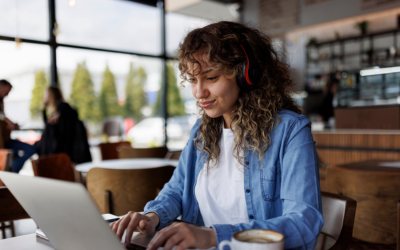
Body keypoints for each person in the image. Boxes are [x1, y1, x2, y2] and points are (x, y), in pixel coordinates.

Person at [111, 21, 323, 250]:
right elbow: (176, 191)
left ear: (246, 74)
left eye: (211, 78)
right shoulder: (201, 132)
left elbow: (304, 222)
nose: (198, 92)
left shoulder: (291, 131)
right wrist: (151, 217)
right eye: (193, 80)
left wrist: (213, 236)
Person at [37, 86, 91, 164]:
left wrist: (60, 114)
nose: (45, 97)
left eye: (47, 94)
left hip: (64, 146)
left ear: (52, 95)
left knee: (41, 146)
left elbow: (72, 112)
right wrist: (44, 109)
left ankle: (46, 161)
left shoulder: (63, 107)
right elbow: (47, 124)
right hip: (60, 146)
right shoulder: (54, 112)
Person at [0, 79, 36, 173]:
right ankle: (12, 171)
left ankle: (12, 171)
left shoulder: (1, 103)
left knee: (27, 150)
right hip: (2, 144)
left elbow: (3, 119)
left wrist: (11, 125)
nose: (7, 95)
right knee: (29, 149)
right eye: (7, 92)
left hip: (5, 141)